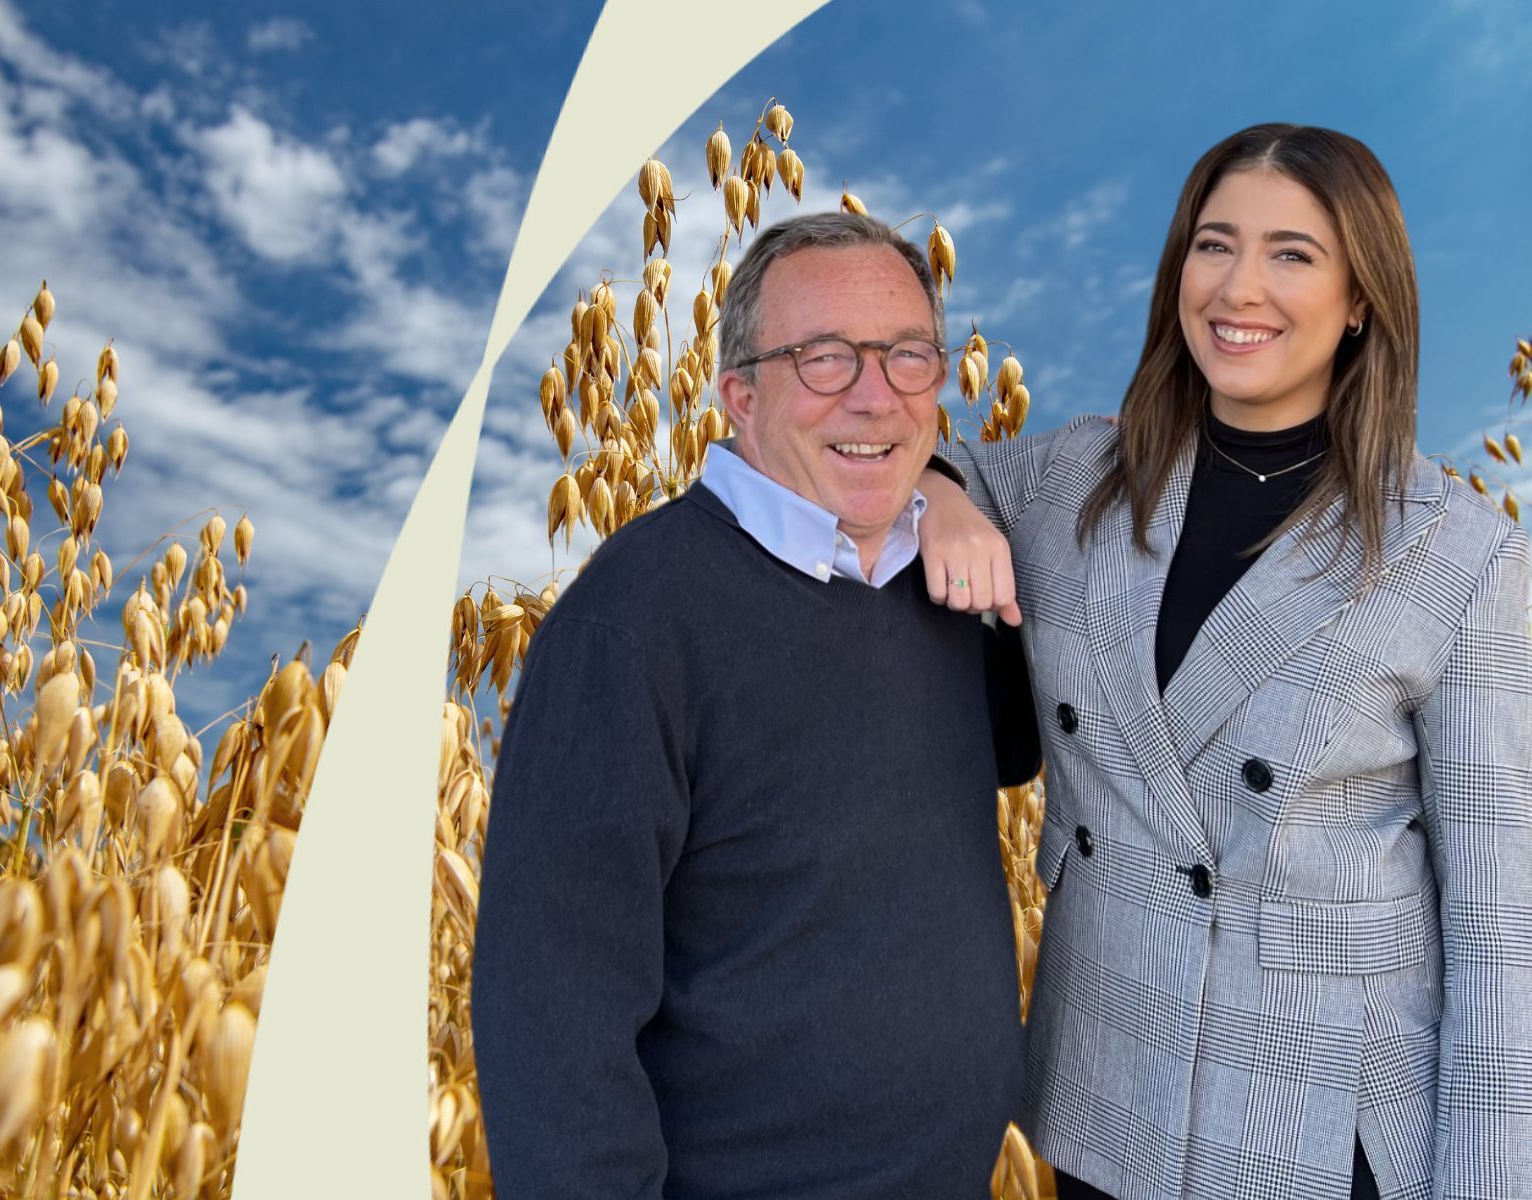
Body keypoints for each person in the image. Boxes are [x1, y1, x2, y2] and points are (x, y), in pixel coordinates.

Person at [916, 122, 1532, 1199]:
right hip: (1105, 1092)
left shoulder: (1460, 554)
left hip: (1319, 1132)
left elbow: (1502, 934)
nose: (1239, 287)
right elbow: (903, 449)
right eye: (1214, 245)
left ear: (1359, 300)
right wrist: (939, 497)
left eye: (1293, 253)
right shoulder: (1075, 477)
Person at [470, 211, 1041, 1199]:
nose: (874, 396)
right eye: (824, 360)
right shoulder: (635, 617)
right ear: (738, 394)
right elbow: (551, 1011)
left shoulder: (946, 589)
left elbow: (1014, 747)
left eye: (908, 357)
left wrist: (950, 494)